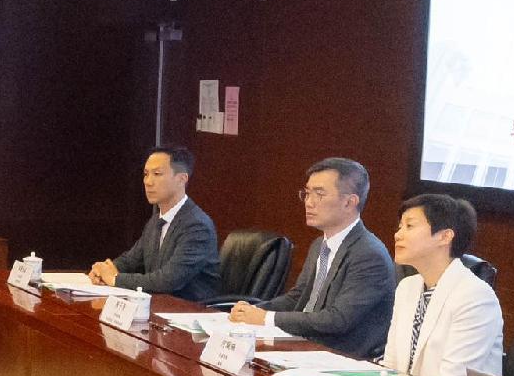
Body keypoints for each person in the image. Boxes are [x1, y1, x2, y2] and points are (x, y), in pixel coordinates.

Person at [227, 157, 396, 357]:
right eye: (307, 193)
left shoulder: (369, 254)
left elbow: (338, 320)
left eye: (319, 194)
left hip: (339, 357)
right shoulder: (320, 245)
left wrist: (266, 318)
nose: (309, 202)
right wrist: (252, 310)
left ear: (349, 202)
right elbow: (298, 297)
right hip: (304, 346)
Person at [369, 190, 504, 376]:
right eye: (400, 227)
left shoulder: (476, 297)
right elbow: (392, 365)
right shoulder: (408, 287)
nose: (398, 234)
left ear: (444, 236)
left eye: (410, 226)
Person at [86, 146, 217, 301]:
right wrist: (105, 270)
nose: (148, 182)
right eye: (146, 174)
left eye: (157, 174)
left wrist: (115, 279)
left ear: (182, 179)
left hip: (189, 312)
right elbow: (131, 260)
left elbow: (167, 281)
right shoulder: (156, 220)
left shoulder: (197, 226)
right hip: (158, 308)